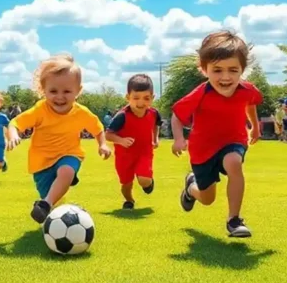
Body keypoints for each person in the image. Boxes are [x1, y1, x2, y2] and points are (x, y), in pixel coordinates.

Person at [172, 31, 262, 238]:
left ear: (242, 70)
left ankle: (234, 220)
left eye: (233, 70)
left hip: (234, 140)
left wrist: (255, 127)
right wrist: (178, 139)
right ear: (204, 70)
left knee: (234, 163)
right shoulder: (200, 94)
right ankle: (190, 188)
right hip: (202, 149)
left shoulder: (247, 90)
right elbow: (177, 116)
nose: (225, 77)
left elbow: (251, 104)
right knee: (207, 198)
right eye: (217, 70)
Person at [6, 54, 111, 223]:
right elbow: (16, 123)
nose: (60, 97)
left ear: (78, 91)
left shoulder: (81, 113)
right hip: (42, 163)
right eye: (53, 91)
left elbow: (98, 128)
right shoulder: (40, 110)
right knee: (55, 200)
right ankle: (52, 207)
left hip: (70, 154)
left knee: (66, 171)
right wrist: (13, 134)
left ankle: (46, 203)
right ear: (43, 90)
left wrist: (103, 145)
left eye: (67, 91)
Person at [104, 74, 161, 210]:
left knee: (144, 179)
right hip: (125, 156)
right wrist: (121, 140)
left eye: (146, 98)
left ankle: (148, 182)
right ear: (128, 97)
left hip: (144, 152)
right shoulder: (122, 116)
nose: (141, 102)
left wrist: (155, 138)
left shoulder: (153, 113)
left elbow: (156, 123)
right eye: (136, 98)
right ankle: (129, 201)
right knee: (126, 184)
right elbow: (108, 134)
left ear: (152, 98)